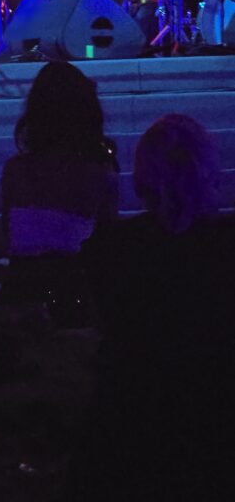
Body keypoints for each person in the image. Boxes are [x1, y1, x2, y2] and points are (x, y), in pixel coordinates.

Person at [73, 113, 235, 500]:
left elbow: (106, 332)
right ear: (209, 173)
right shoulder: (224, 247)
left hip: (128, 428)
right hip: (217, 424)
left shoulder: (109, 251)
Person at [0, 61, 118, 322]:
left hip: (22, 297)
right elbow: (108, 243)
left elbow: (8, 235)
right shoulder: (98, 173)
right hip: (75, 298)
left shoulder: (15, 171)